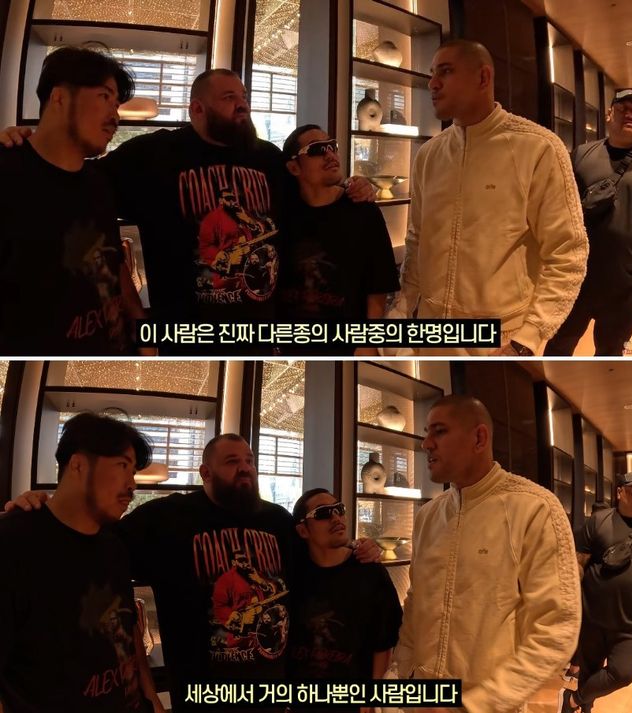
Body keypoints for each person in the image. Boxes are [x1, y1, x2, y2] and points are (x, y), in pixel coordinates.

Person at [1, 67, 375, 355]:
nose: (242, 104)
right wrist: (27, 143)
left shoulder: (269, 159)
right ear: (197, 108)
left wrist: (354, 185)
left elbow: (314, 195)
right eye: (229, 97)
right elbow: (76, 177)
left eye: (244, 96)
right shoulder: (152, 154)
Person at [7, 433, 380, 713]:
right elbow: (91, 538)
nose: (245, 467)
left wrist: (360, 548)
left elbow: (320, 562)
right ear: (205, 472)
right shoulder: (168, 516)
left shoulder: (278, 520)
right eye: (232, 461)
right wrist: (44, 509)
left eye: (249, 460)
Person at [390, 39, 588, 357]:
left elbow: (568, 253)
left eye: (446, 71)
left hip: (500, 339)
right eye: (431, 73)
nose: (432, 83)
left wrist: (528, 338)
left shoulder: (538, 148)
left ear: (483, 77)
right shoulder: (429, 154)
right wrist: (402, 308)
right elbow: (417, 238)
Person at [393, 394, 581, 713]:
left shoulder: (534, 509)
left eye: (439, 431)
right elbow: (416, 604)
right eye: (426, 432)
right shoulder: (428, 516)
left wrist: (478, 704)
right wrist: (401, 678)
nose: (426, 444)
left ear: (479, 438)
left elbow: (556, 628)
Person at [0, 412, 163, 712]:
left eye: (134, 473)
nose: (132, 484)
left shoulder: (113, 545)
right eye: (123, 466)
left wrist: (151, 698)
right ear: (77, 465)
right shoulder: (13, 544)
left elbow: (128, 632)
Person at [0, 46, 147, 356]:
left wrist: (143, 333)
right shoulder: (9, 175)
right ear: (59, 97)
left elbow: (114, 261)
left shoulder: (99, 182)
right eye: (105, 96)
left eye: (117, 105)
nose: (115, 117)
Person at [279, 125, 400, 355]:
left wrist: (369, 341)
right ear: (294, 167)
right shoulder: (283, 213)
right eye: (316, 149)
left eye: (331, 146)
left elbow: (379, 284)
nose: (330, 155)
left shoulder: (363, 211)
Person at [288, 489, 402, 713]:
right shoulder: (293, 573)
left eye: (339, 509)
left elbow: (384, 641)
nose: (336, 518)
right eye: (323, 513)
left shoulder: (370, 572)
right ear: (303, 530)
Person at [545, 90, 632, 357]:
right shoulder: (582, 154)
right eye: (623, 109)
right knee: (558, 345)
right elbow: (561, 206)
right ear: (609, 115)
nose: (631, 114)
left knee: (610, 353)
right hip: (576, 276)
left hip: (626, 283)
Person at [558, 471, 632, 713]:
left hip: (631, 622)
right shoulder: (599, 522)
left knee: (622, 673)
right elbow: (578, 564)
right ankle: (584, 707)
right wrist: (570, 604)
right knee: (589, 671)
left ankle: (572, 700)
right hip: (594, 617)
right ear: (619, 492)